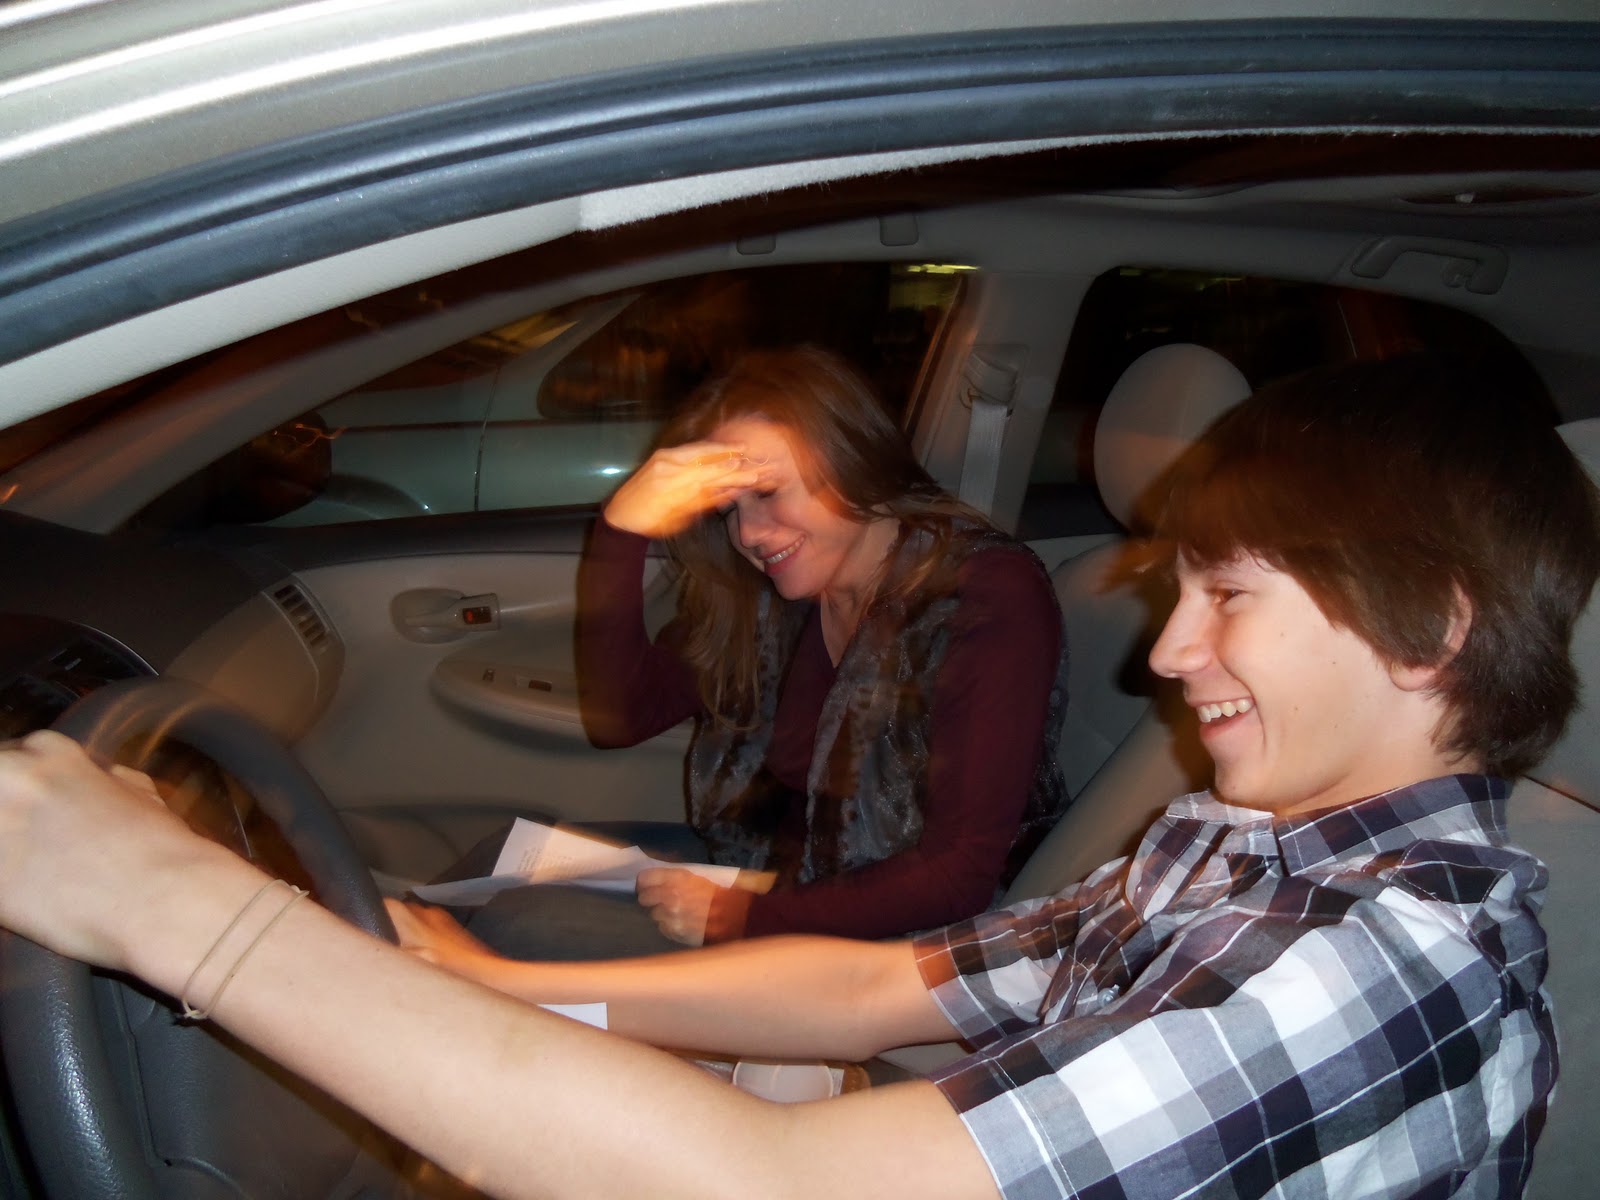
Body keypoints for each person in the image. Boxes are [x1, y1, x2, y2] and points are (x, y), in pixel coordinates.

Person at [0, 352, 1593, 1199]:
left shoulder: (1381, 968)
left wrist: (185, 913)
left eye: (1226, 595)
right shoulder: (1232, 845)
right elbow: (889, 985)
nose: (1169, 654)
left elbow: (770, 1177)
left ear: (1429, 628)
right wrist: (500, 986)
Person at [459, 346, 1069, 954]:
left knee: (512, 929)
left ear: (851, 458)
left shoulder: (983, 595)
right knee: (497, 867)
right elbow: (622, 718)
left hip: (900, 936)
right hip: (768, 871)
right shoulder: (774, 596)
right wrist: (621, 532)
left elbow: (958, 876)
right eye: (728, 509)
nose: (748, 533)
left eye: (768, 492)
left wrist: (740, 919)